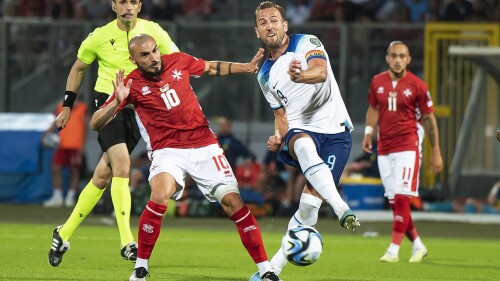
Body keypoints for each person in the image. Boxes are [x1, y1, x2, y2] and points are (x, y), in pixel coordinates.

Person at [89, 34, 281, 281]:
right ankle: (141, 267)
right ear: (133, 59)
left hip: (205, 146)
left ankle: (266, 270)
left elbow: (211, 67)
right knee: (159, 195)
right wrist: (117, 101)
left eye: (154, 51)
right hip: (167, 151)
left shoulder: (178, 60)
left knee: (234, 203)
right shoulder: (130, 84)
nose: (153, 58)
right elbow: (95, 123)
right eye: (144, 55)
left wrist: (245, 67)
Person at [48, 0, 179, 267]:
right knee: (122, 165)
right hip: (107, 106)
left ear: (140, 5)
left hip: (138, 109)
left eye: (133, 1)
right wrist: (66, 107)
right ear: (114, 5)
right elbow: (78, 68)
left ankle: (63, 234)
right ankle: (127, 241)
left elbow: (176, 62)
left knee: (103, 175)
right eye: (122, 1)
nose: (128, 6)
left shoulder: (153, 32)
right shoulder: (99, 36)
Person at [250, 2, 360, 280]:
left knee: (308, 210)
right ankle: (341, 208)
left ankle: (272, 270)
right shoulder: (264, 75)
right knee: (300, 142)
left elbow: (320, 72)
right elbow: (281, 115)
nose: (269, 25)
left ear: (285, 25)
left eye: (274, 20)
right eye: (263, 22)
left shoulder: (306, 42)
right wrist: (278, 136)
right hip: (302, 128)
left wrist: (301, 75)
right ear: (257, 31)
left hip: (336, 131)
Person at [361, 41, 444, 263]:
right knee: (394, 201)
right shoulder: (377, 81)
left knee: (402, 197)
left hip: (408, 145)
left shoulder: (418, 85)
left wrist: (435, 150)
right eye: (394, 56)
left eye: (402, 56)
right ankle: (418, 245)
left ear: (408, 59)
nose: (398, 60)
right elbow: (372, 108)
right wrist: (369, 132)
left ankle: (393, 250)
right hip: (384, 148)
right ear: (387, 58)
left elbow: (429, 119)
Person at [42, 100, 88, 208]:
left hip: (76, 145)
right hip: (62, 144)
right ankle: (57, 196)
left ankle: (70, 197)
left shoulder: (83, 108)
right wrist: (47, 134)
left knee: (74, 171)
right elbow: (55, 121)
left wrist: (83, 146)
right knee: (55, 168)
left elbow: (86, 128)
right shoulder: (60, 106)